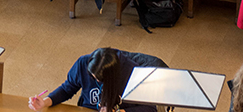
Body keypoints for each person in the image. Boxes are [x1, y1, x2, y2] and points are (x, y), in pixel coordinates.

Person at [28, 47, 157, 111]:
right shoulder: (83, 63)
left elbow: (150, 108)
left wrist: (120, 111)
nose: (96, 81)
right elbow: (67, 88)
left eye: (100, 80)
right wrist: (46, 102)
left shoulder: (132, 73)